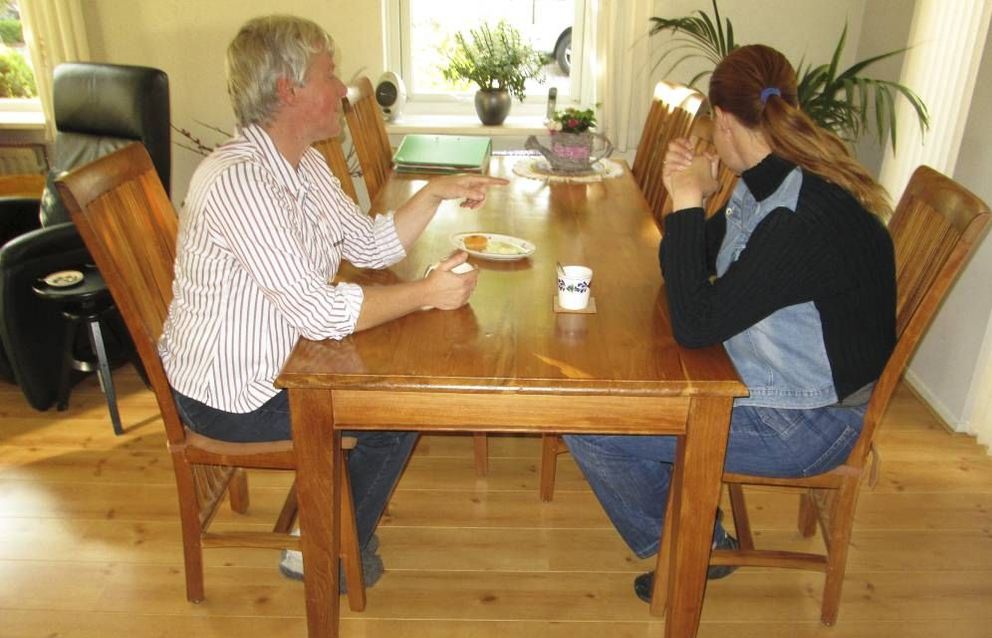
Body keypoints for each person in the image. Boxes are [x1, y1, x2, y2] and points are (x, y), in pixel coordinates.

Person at [158, 15, 507, 590]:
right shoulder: (239, 182)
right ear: (286, 90)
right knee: (397, 410)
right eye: (330, 73)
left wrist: (434, 193)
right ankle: (318, 549)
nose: (342, 87)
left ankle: (335, 513)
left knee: (396, 385)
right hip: (235, 392)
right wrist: (423, 295)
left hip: (286, 355)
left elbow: (369, 243)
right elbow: (320, 312)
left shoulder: (306, 163)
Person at [563, 44, 896, 602]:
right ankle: (689, 518)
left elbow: (694, 323)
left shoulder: (798, 218)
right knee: (618, 393)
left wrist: (690, 199)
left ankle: (698, 542)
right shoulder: (772, 180)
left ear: (721, 120)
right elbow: (689, 274)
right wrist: (689, 200)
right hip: (771, 378)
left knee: (590, 425)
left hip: (808, 422)